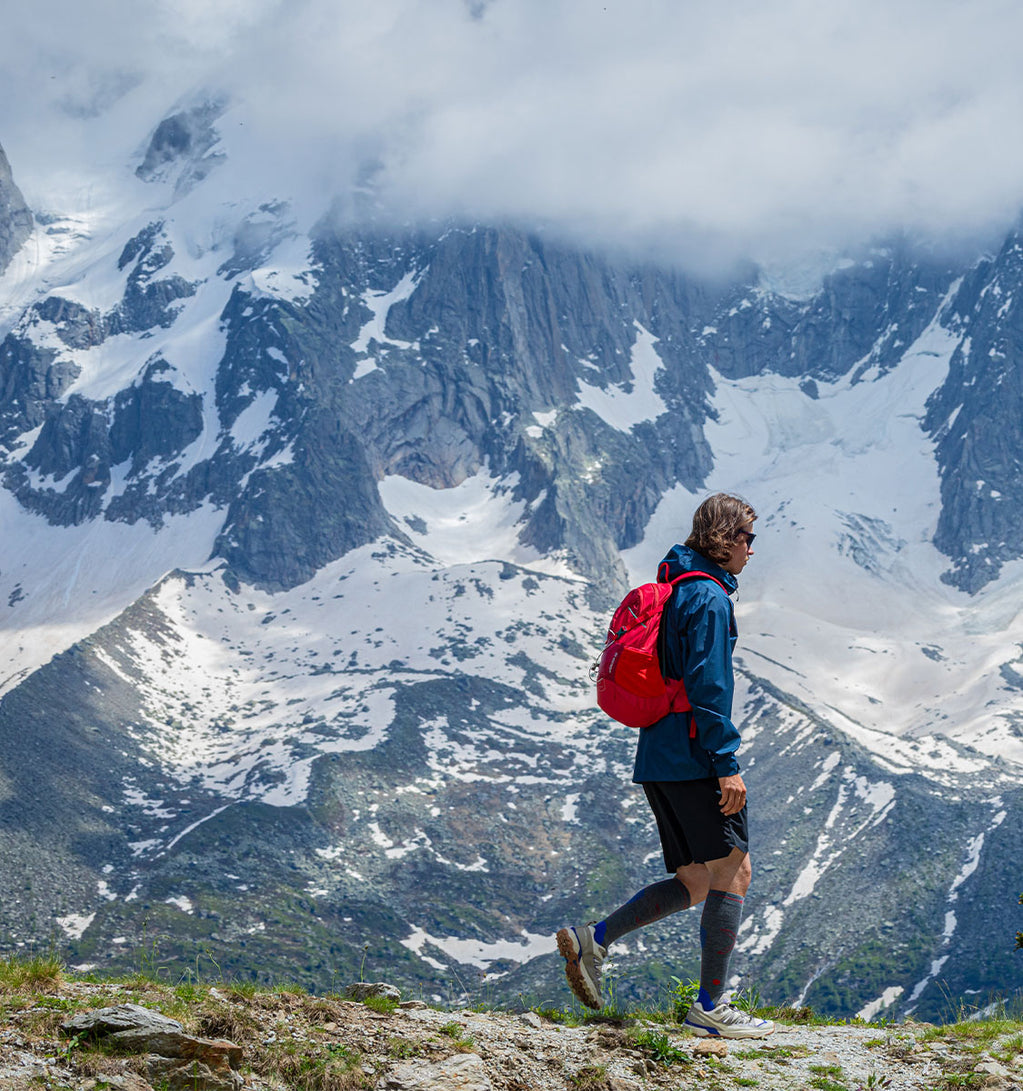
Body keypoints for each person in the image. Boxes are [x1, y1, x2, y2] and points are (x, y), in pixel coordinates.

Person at [557, 492, 774, 1039]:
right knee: (734, 869)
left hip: (659, 753)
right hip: (693, 755)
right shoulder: (708, 599)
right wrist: (724, 761)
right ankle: (709, 1010)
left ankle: (595, 938)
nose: (752, 549)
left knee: (698, 878)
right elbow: (709, 684)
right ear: (724, 540)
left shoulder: (679, 588)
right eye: (747, 538)